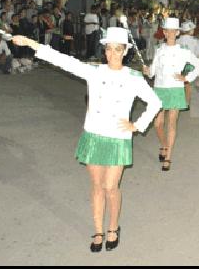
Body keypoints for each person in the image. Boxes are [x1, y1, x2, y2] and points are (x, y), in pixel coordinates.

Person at [11, 29, 162, 253]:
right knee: (97, 187)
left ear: (125, 51)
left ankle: (113, 227)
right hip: (93, 135)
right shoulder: (94, 71)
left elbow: (155, 102)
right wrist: (30, 43)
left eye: (117, 49)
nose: (112, 54)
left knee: (111, 187)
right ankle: (98, 230)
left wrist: (137, 126)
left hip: (118, 138)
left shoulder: (133, 77)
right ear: (105, 50)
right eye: (109, 49)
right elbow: (62, 60)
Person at [143, 18, 199, 171]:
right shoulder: (159, 50)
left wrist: (187, 78)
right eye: (167, 30)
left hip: (175, 90)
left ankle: (168, 156)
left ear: (177, 33)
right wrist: (147, 71)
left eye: (173, 31)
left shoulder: (183, 52)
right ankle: (164, 144)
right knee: (157, 124)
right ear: (164, 32)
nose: (169, 33)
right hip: (159, 90)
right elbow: (152, 72)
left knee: (171, 123)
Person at [178, 21, 199, 108]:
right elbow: (198, 53)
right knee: (187, 84)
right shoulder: (194, 41)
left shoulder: (178, 40)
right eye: (193, 29)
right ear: (190, 30)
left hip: (178, 65)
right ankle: (186, 102)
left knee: (179, 83)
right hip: (189, 65)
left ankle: (179, 100)